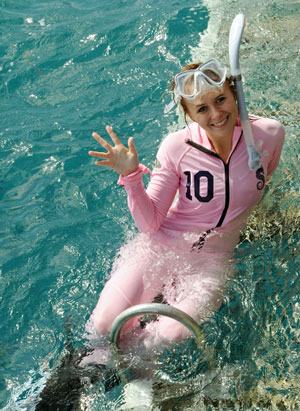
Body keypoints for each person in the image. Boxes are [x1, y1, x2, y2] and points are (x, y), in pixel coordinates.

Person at [87, 58, 285, 344]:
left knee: (166, 337)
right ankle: (78, 373)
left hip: (213, 259)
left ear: (235, 96)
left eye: (221, 100)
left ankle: (140, 382)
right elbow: (150, 222)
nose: (216, 114)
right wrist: (131, 176)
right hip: (160, 246)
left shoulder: (269, 135)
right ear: (189, 113)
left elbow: (264, 183)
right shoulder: (176, 147)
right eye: (202, 108)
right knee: (105, 325)